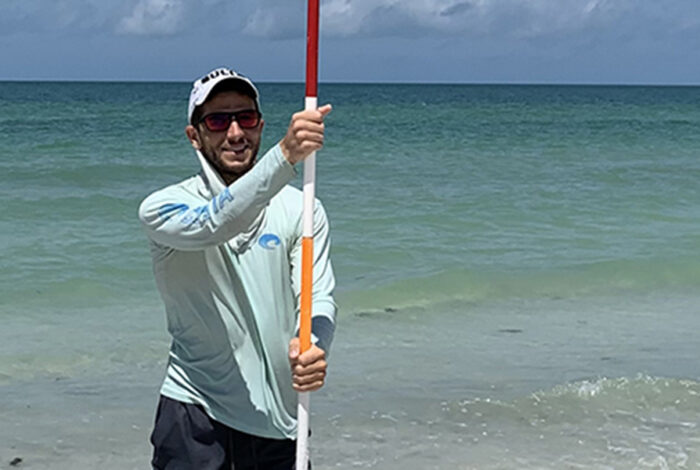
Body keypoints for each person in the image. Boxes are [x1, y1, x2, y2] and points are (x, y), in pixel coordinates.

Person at [138, 67, 337, 469]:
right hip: (195, 414)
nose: (235, 133)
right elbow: (216, 222)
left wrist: (314, 344)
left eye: (245, 118)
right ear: (194, 135)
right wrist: (284, 156)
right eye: (217, 120)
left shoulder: (303, 208)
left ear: (260, 125)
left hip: (281, 421)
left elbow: (317, 296)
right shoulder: (163, 207)